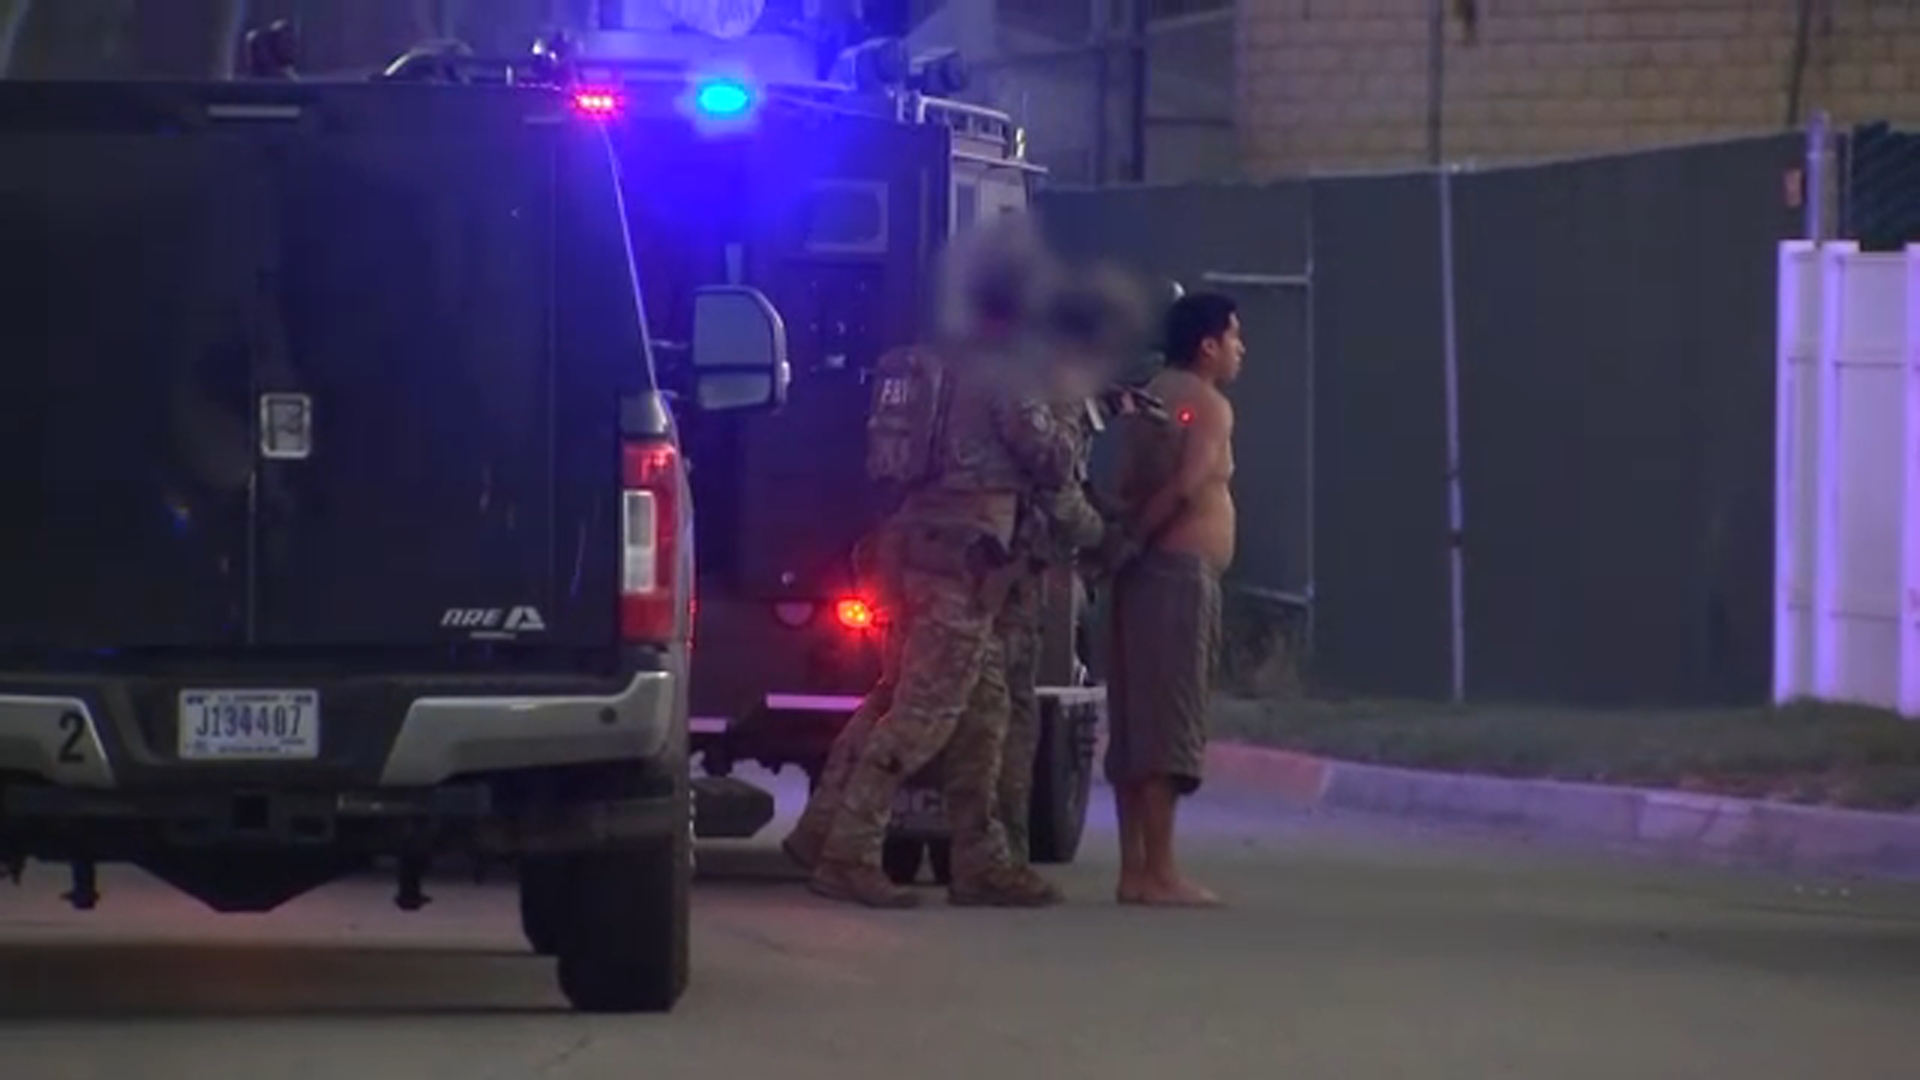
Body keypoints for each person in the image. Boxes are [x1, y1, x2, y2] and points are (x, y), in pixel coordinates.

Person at [808, 218, 1081, 909]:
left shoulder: (941, 357)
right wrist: (1075, 410)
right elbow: (1049, 458)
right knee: (921, 718)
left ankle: (978, 861)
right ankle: (846, 854)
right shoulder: (1005, 371)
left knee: (981, 715)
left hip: (925, 553)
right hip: (963, 565)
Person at [1107, 290, 1244, 907]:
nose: (1241, 349)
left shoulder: (1148, 396)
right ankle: (1160, 872)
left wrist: (1123, 545)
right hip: (1177, 577)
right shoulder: (1209, 405)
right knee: (1168, 720)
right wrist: (1137, 539)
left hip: (1139, 579)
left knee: (1134, 719)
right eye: (1234, 336)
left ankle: (1133, 869)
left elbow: (1124, 479)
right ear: (1208, 345)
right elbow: (1187, 486)